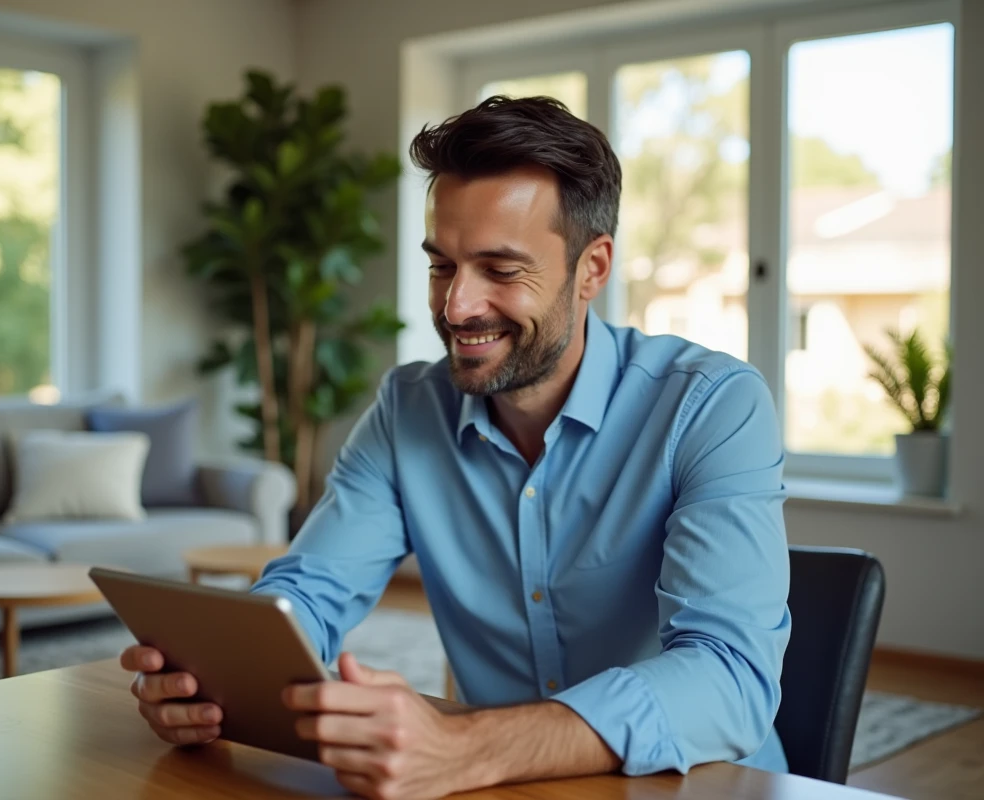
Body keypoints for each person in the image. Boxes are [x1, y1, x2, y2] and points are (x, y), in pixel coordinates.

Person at [121, 96, 791, 800]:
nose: (455, 307)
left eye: (500, 271)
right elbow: (310, 593)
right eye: (443, 266)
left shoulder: (712, 405)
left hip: (698, 783)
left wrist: (470, 746)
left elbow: (729, 677)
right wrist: (216, 678)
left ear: (593, 269)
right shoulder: (407, 408)